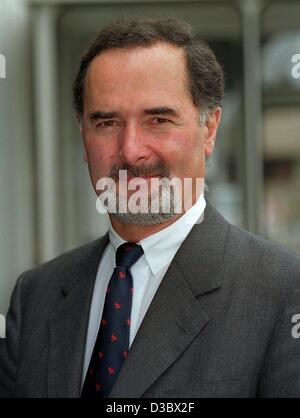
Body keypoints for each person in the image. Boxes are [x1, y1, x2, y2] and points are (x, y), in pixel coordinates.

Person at [1, 17, 300, 398]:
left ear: (209, 130)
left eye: (158, 120)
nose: (130, 151)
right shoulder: (36, 297)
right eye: (106, 122)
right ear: (83, 137)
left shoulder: (284, 291)